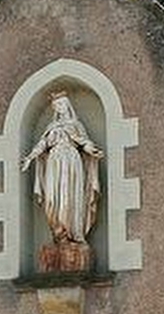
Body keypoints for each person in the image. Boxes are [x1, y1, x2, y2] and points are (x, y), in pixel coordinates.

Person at [21, 91, 104, 244]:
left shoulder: (75, 125)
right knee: (51, 200)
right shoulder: (51, 127)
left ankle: (73, 234)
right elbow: (42, 144)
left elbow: (83, 142)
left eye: (60, 104)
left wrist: (91, 149)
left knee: (68, 199)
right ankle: (59, 233)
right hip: (54, 161)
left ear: (67, 105)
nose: (57, 108)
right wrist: (29, 158)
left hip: (71, 161)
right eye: (55, 106)